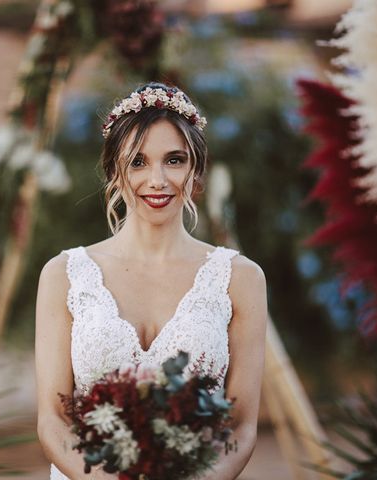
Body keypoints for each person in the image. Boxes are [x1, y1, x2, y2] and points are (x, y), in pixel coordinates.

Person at [35, 83, 268, 480]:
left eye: (174, 160)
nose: (157, 179)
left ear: (195, 169)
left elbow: (242, 425)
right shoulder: (65, 275)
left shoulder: (240, 279)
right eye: (138, 162)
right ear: (114, 170)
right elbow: (53, 420)